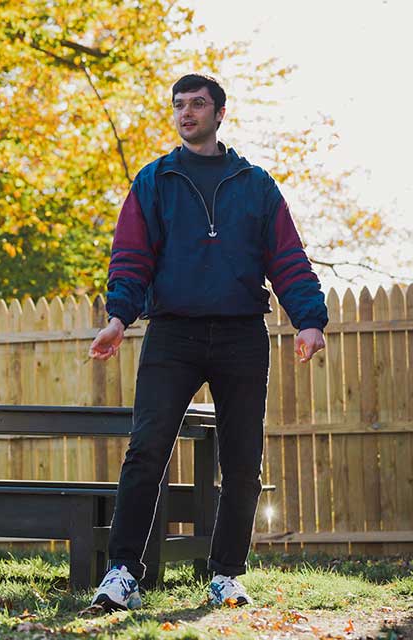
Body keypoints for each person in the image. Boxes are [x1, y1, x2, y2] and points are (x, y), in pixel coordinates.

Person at [88, 74, 327, 610]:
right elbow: (131, 257)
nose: (186, 112)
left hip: (242, 333)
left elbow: (287, 257)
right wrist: (119, 317)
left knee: (242, 461)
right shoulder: (155, 181)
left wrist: (309, 319)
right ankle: (123, 572)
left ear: (220, 113)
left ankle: (226, 575)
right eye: (179, 105)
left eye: (197, 104)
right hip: (172, 333)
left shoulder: (255, 184)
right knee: (145, 451)